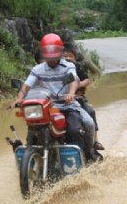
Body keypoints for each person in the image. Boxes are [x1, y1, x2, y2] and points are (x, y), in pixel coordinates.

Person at [11, 33, 101, 162]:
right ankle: (34, 157)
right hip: (47, 108)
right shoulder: (38, 69)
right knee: (34, 128)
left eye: (54, 51)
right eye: (48, 51)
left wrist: (71, 93)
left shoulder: (68, 66)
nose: (51, 56)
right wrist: (20, 98)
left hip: (68, 106)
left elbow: (74, 80)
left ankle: (88, 154)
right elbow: (26, 85)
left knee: (84, 126)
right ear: (43, 52)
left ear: (60, 51)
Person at [63, 45, 105, 151]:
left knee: (90, 112)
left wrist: (79, 84)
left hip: (77, 99)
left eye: (70, 56)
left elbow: (87, 80)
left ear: (75, 58)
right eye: (65, 56)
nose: (67, 58)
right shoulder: (57, 69)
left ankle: (95, 141)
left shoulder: (77, 68)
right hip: (58, 101)